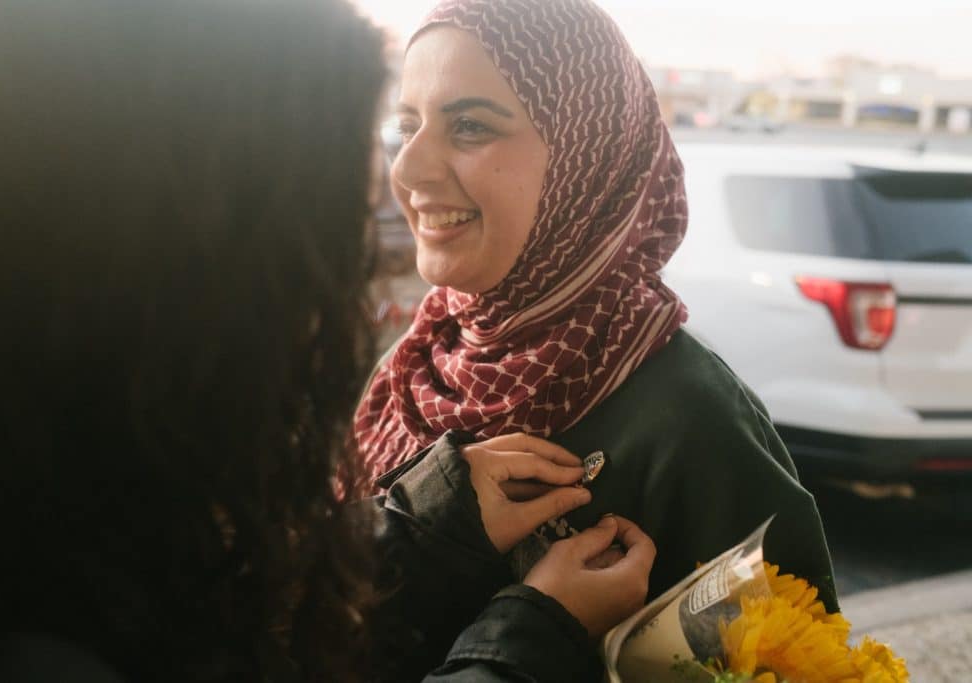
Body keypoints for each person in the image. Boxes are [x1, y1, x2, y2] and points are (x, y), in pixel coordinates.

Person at [0, 0, 655, 681]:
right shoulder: (17, 641)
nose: (405, 173)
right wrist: (533, 638)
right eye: (301, 264)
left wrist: (423, 530)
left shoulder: (49, 500)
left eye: (469, 126)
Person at [354, 0, 839, 611]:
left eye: (470, 126)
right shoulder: (415, 368)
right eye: (406, 127)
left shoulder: (687, 418)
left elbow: (793, 649)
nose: (408, 168)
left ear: (584, 155)